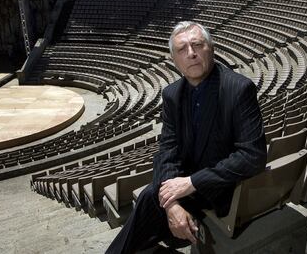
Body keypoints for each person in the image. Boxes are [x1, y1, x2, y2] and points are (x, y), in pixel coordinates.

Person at [106, 21, 267, 253]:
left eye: (197, 45)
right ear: (174, 59)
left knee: (149, 202)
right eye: (182, 49)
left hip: (220, 188)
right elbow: (167, 151)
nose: (191, 54)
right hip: (186, 184)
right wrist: (172, 203)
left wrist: (191, 183)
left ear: (210, 49)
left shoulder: (238, 89)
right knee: (152, 199)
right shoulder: (172, 94)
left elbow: (253, 156)